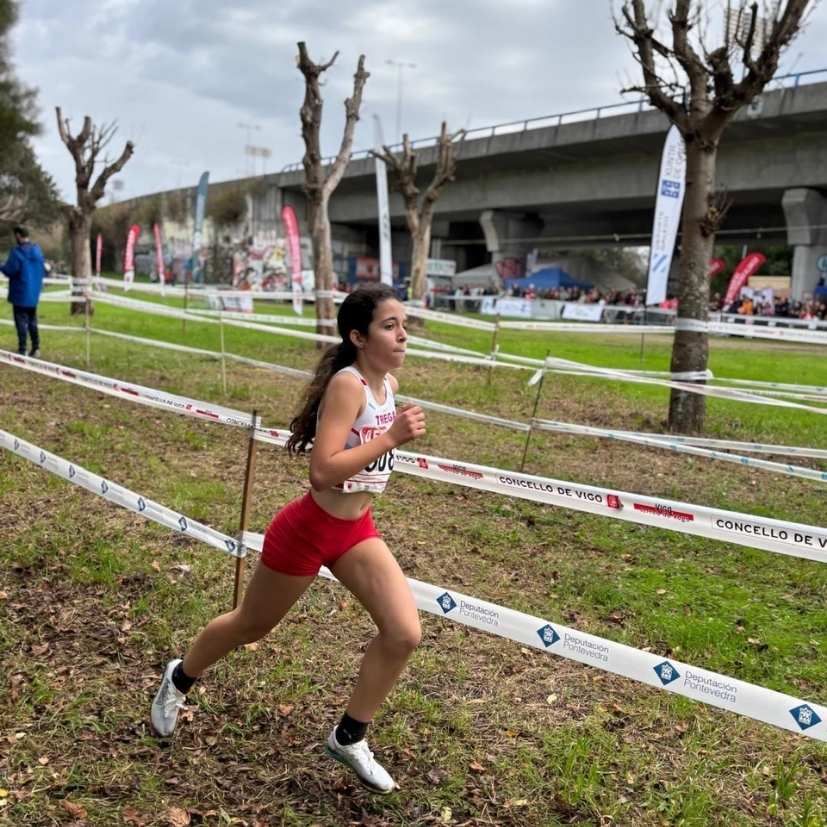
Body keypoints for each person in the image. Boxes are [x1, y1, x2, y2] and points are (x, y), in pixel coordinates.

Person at [150, 284, 426, 794]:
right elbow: (322, 472)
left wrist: (387, 439)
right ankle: (180, 677)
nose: (403, 335)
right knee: (250, 625)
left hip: (356, 530)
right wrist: (391, 439)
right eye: (390, 326)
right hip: (308, 530)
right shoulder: (348, 386)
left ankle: (349, 736)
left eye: (403, 325)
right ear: (358, 337)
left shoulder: (388, 386)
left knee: (404, 632)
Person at [1, 226, 45, 357]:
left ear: (18, 236)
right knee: (32, 321)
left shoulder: (17, 252)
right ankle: (36, 347)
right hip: (33, 293)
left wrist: (1, 266)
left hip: (20, 293)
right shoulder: (37, 251)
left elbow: (10, 270)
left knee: (20, 322)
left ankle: (22, 348)